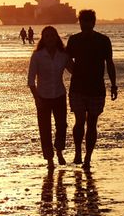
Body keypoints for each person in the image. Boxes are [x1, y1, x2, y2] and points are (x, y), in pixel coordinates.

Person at [66, 9, 117, 169]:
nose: (85, 24)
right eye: (82, 21)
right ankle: (78, 153)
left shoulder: (103, 40)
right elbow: (67, 60)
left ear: (93, 23)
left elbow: (109, 63)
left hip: (96, 87)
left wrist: (114, 84)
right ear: (80, 22)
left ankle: (87, 156)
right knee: (79, 120)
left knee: (92, 123)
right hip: (78, 87)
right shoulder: (74, 40)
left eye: (88, 21)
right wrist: (77, 72)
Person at [28, 26, 73, 168]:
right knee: (44, 128)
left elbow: (73, 70)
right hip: (43, 96)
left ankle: (59, 150)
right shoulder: (37, 55)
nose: (50, 38)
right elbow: (31, 80)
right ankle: (49, 159)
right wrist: (37, 98)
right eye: (47, 36)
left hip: (59, 94)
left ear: (56, 37)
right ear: (43, 38)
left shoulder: (63, 54)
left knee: (61, 125)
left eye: (52, 35)